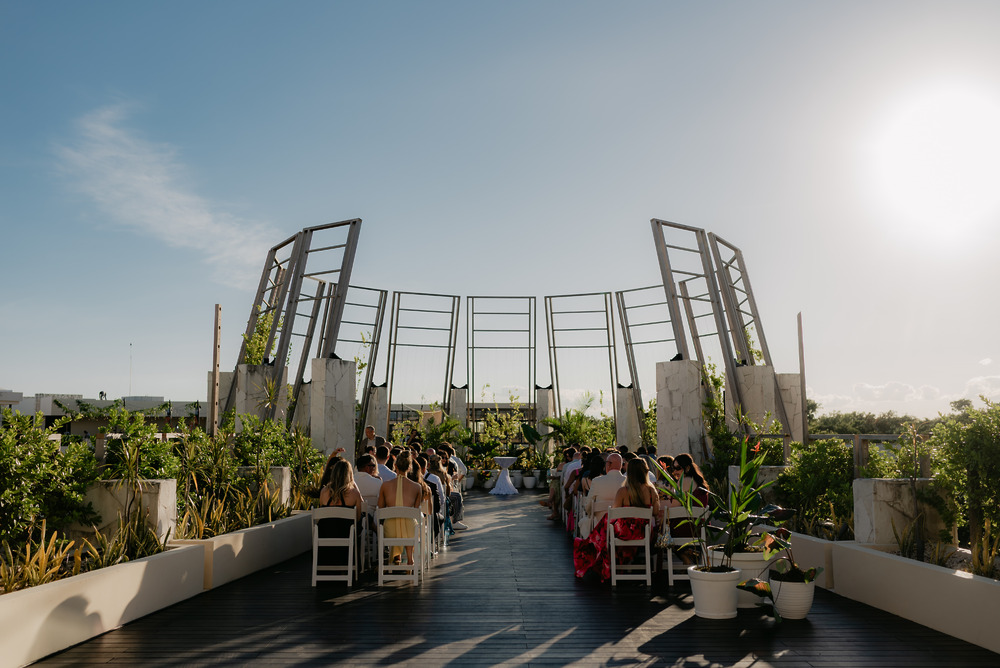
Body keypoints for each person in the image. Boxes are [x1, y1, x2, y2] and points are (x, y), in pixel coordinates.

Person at [377, 452, 424, 565]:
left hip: (390, 531)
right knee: (410, 522)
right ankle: (410, 558)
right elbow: (416, 510)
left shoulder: (385, 485)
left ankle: (396, 557)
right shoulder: (417, 487)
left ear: (395, 466)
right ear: (409, 468)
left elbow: (380, 507)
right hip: (410, 530)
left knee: (394, 522)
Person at [317, 458, 365, 568]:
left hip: (325, 534)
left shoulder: (324, 492)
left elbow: (321, 514)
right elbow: (357, 518)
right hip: (346, 534)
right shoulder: (354, 493)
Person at [583, 453, 626, 532]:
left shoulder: (597, 481)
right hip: (621, 525)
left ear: (608, 465)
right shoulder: (628, 482)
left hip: (599, 524)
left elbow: (588, 505)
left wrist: (589, 514)